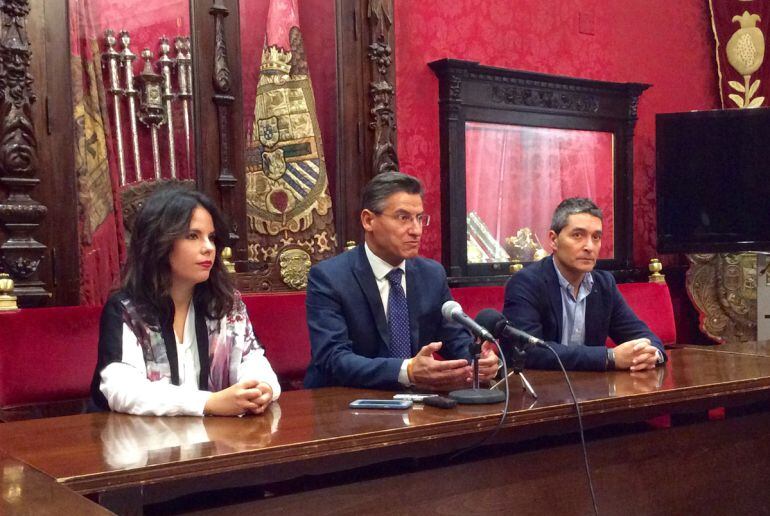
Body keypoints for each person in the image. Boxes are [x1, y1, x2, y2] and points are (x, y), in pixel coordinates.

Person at [90, 186, 280, 416]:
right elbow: (121, 389)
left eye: (211, 238)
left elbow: (253, 360)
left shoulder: (225, 304)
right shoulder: (127, 309)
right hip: (144, 442)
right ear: (159, 241)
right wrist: (208, 403)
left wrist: (261, 388)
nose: (209, 248)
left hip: (217, 440)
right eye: (193, 236)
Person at [304, 172, 499, 390]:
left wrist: (478, 361)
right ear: (368, 220)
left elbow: (454, 339)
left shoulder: (431, 275)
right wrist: (406, 371)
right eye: (403, 217)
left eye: (419, 218)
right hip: (343, 404)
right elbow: (333, 358)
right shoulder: (330, 278)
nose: (416, 230)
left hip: (416, 405)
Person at [503, 197, 666, 371]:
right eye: (578, 235)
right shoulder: (526, 283)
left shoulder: (604, 284)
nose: (589, 246)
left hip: (593, 392)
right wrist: (609, 357)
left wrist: (651, 354)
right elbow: (528, 352)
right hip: (540, 391)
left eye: (596, 237)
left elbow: (646, 337)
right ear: (553, 240)